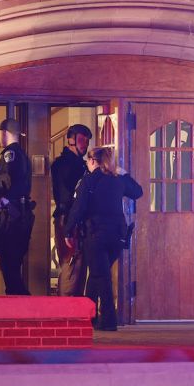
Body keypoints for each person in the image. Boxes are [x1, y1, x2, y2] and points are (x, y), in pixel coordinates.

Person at [63, 147, 142, 331]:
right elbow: (138, 192)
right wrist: (123, 173)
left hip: (96, 233)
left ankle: (108, 321)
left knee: (101, 275)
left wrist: (68, 231)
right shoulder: (118, 180)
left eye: (88, 161)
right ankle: (87, 317)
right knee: (98, 273)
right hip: (118, 235)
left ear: (92, 161)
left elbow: (78, 208)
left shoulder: (88, 181)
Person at [0, 117, 34, 295]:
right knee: (11, 264)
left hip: (13, 216)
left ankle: (22, 304)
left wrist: (3, 200)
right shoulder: (20, 154)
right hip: (17, 214)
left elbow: (13, 183)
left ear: (5, 133)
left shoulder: (11, 156)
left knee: (9, 263)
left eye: (0, 134)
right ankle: (18, 304)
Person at [51, 123, 92, 296]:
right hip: (68, 218)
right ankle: (66, 310)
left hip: (75, 219)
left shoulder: (81, 165)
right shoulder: (63, 164)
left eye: (87, 141)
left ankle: (74, 308)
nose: (85, 144)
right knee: (71, 264)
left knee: (79, 265)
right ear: (71, 139)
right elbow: (68, 195)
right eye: (81, 139)